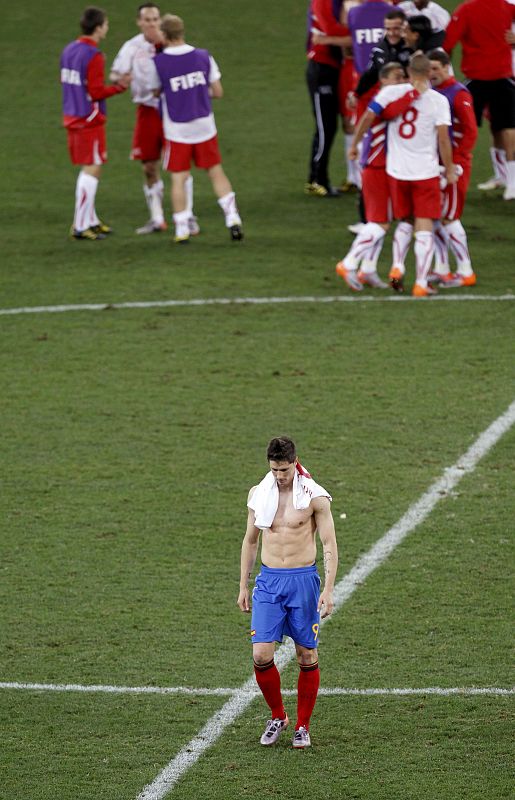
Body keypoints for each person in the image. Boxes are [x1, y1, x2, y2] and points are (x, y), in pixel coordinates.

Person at [237, 436, 338, 749]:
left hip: (303, 582)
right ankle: (277, 715)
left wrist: (329, 588)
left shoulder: (314, 497)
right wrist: (243, 583)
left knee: (306, 655)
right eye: (275, 470)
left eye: (285, 469)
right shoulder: (258, 494)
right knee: (260, 653)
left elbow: (329, 544)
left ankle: (302, 726)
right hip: (269, 583)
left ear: (296, 462)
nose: (280, 476)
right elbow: (251, 540)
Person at [147, 14, 243, 242]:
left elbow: (154, 91)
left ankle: (181, 229)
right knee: (215, 172)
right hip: (204, 127)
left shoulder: (159, 63)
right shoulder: (203, 56)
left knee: (179, 178)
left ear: (164, 35)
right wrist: (197, 92)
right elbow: (217, 91)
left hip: (177, 131)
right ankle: (232, 218)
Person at [368, 53, 456, 296]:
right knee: (425, 226)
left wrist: (355, 145)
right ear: (429, 73)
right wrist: (449, 169)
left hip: (396, 171)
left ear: (408, 72)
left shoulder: (393, 93)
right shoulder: (438, 100)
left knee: (405, 221)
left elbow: (371, 115)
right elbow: (443, 140)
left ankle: (397, 265)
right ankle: (420, 283)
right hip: (425, 172)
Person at [110, 4, 198, 235]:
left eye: (155, 19)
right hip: (147, 110)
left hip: (173, 110)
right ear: (139, 22)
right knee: (149, 165)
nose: (152, 24)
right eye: (147, 20)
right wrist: (121, 78)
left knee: (180, 165)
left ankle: (188, 216)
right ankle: (157, 218)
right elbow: (115, 73)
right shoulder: (132, 47)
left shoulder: (172, 45)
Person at [336, 61, 417, 290]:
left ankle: (368, 269)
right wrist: (416, 90)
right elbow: (375, 118)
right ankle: (348, 262)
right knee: (380, 223)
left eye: (404, 77)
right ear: (383, 81)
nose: (401, 81)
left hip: (383, 166)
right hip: (377, 167)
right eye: (397, 77)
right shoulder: (385, 99)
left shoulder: (386, 97)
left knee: (382, 220)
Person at [60, 6, 130, 240]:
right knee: (91, 167)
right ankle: (80, 226)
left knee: (94, 165)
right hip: (88, 119)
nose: (107, 27)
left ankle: (91, 219)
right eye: (106, 24)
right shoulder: (94, 56)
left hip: (72, 114)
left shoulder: (69, 50)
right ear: (98, 27)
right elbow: (96, 91)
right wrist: (120, 86)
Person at [443, 0, 515, 201]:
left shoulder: (466, 9)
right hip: (503, 75)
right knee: (505, 127)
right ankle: (508, 179)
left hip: (476, 77)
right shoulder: (506, 7)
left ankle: (454, 173)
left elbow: (448, 42)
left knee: (463, 128)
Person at [427, 49, 478, 288]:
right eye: (429, 69)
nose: (432, 73)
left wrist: (454, 163)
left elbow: (470, 131)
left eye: (436, 68)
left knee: (449, 217)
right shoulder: (434, 93)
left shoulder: (458, 93)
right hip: (436, 165)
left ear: (447, 67)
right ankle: (442, 269)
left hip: (454, 166)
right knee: (436, 218)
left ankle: (466, 271)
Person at [305, 0, 351, 196]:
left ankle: (321, 178)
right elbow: (329, 28)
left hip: (334, 67)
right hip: (321, 68)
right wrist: (357, 33)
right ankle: (316, 179)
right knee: (326, 126)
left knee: (334, 124)